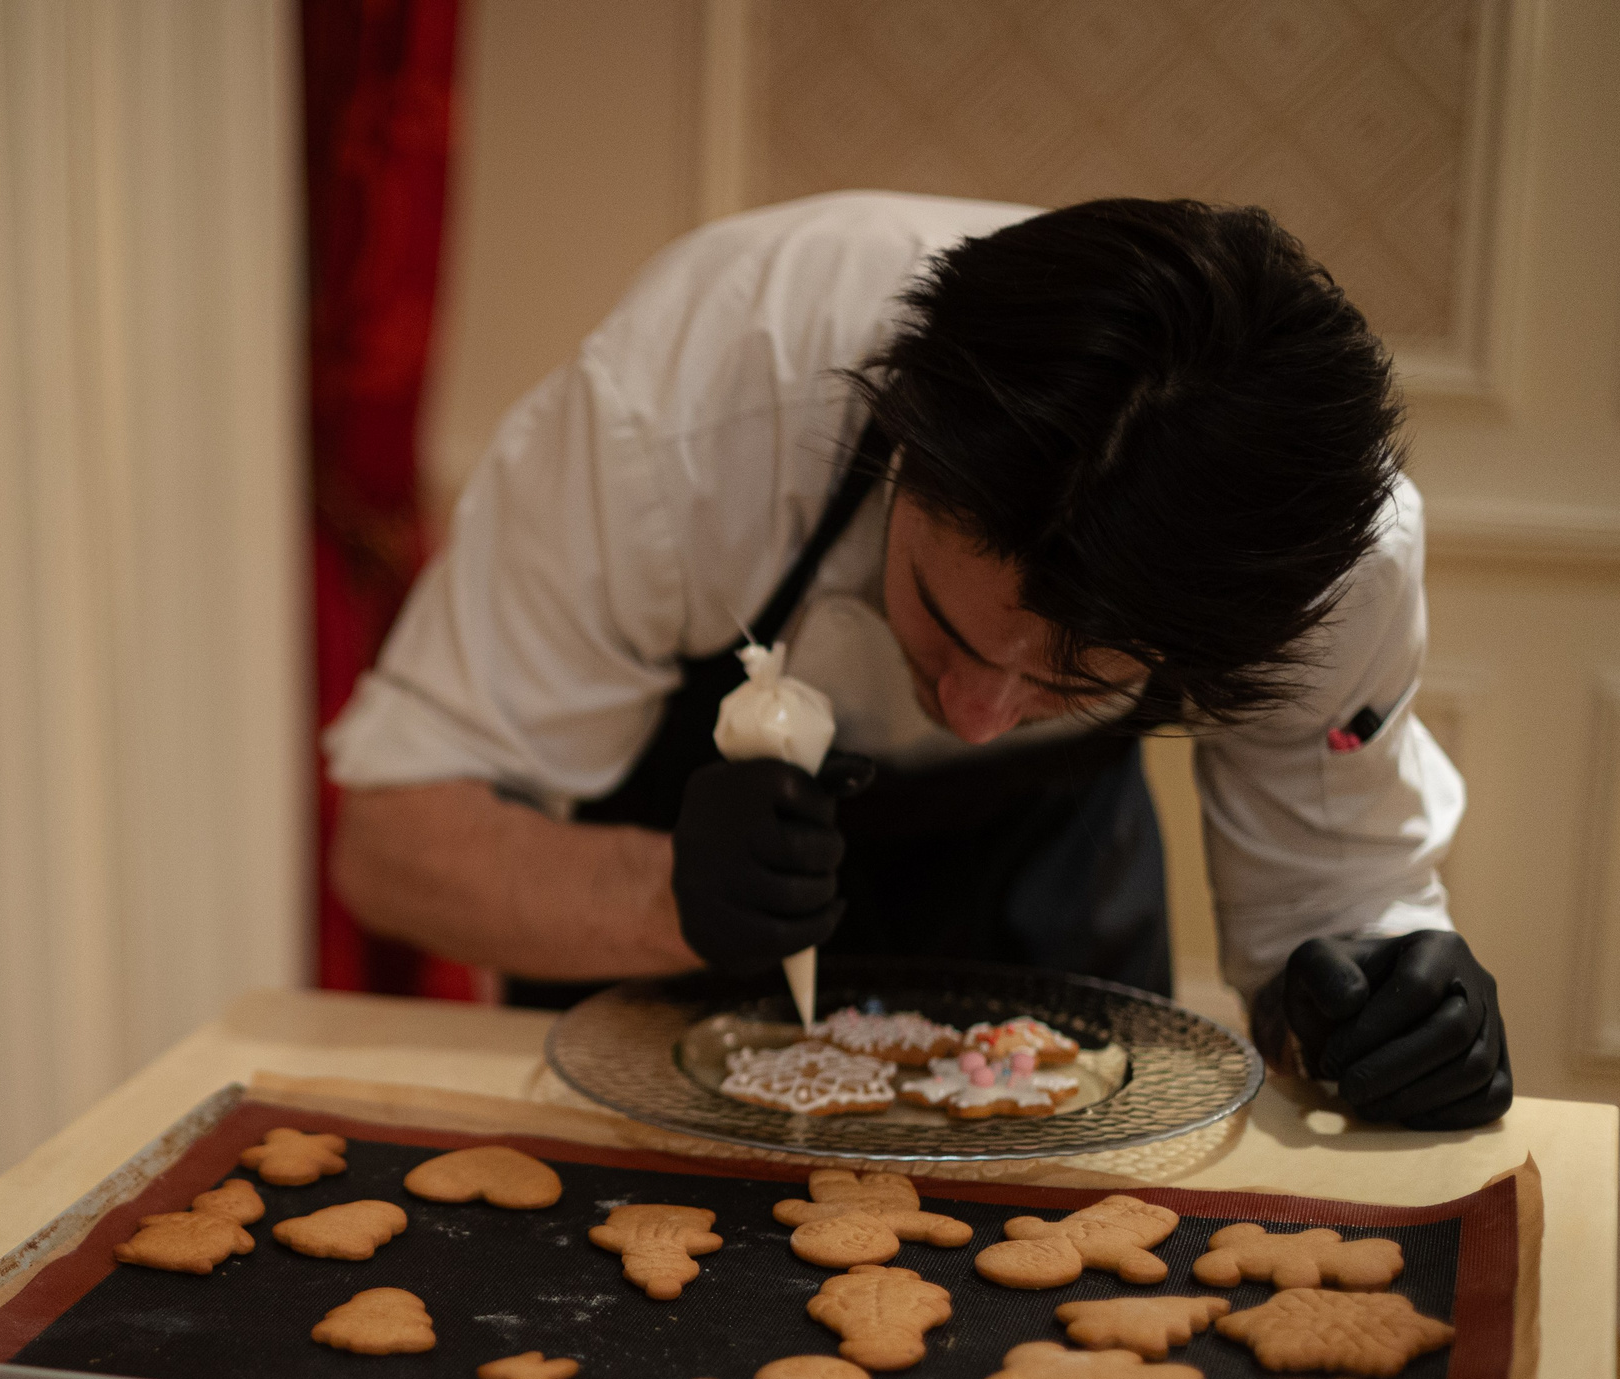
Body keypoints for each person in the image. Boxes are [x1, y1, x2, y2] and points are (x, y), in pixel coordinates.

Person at [324, 191, 1511, 1131]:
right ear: (898, 439)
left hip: (1047, 881)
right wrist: (665, 898)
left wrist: (1380, 1017)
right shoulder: (692, 397)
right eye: (944, 623)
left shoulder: (1323, 557)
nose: (981, 717)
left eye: (1071, 682)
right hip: (668, 900)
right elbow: (389, 845)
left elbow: (1327, 905)